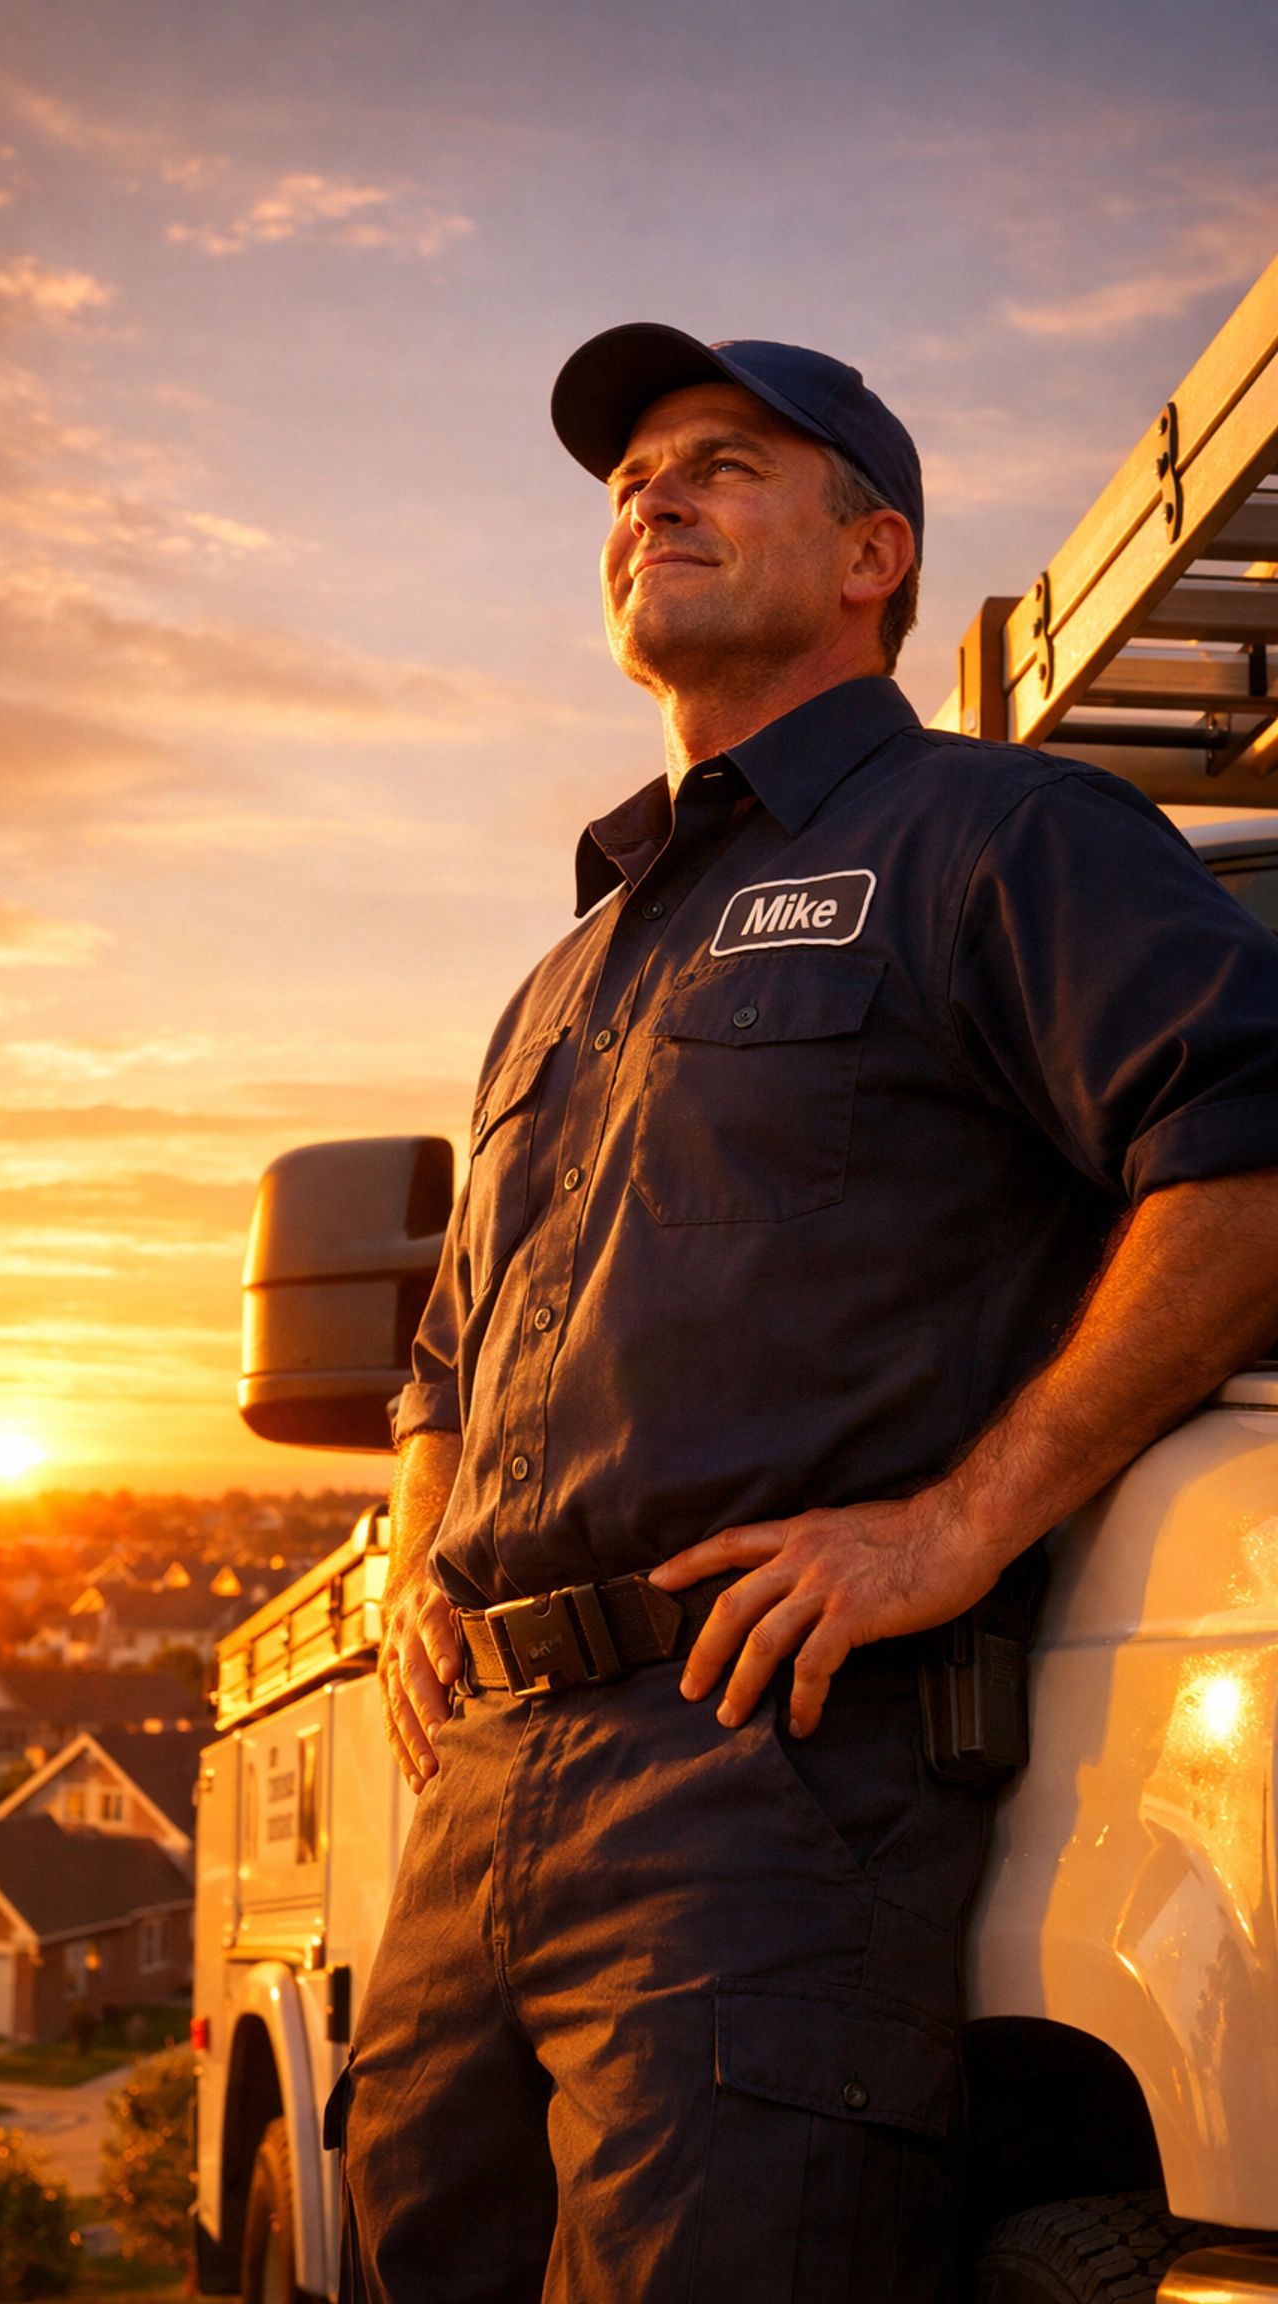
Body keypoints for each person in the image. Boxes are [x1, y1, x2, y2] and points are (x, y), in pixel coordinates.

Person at [333, 324, 1278, 2303]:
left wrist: (957, 1523)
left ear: (873, 555)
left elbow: (1252, 1144)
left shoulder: (998, 836)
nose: (651, 497)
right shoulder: (564, 977)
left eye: (724, 463)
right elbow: (441, 1359)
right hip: (475, 1800)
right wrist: (420, 1558)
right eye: (629, 481)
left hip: (763, 1779)